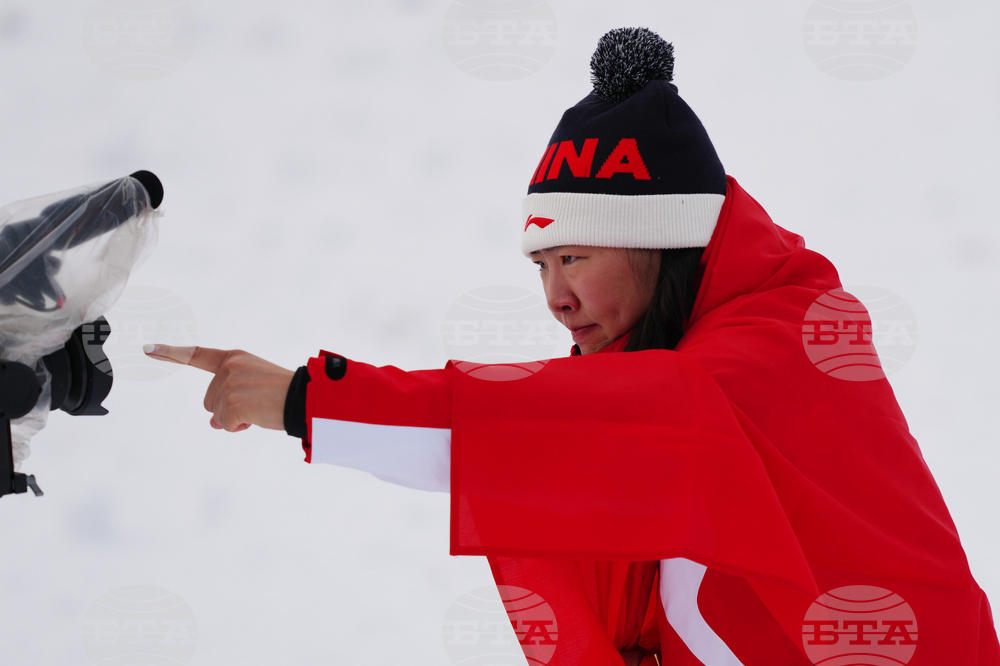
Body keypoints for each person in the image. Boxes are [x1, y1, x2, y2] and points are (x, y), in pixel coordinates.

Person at [146, 28, 999, 666]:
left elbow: (538, 429)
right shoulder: (691, 356)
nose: (556, 295)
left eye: (577, 256)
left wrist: (304, 399)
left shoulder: (761, 354)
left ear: (659, 242)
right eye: (542, 263)